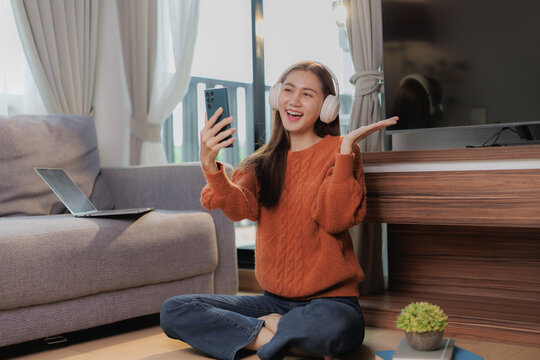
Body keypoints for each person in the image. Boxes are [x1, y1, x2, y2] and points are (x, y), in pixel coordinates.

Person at [160, 61, 398, 360]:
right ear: (276, 98)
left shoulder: (340, 152)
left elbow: (335, 218)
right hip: (271, 304)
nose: (294, 101)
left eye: (307, 94)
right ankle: (280, 334)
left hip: (330, 304)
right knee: (175, 310)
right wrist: (210, 165)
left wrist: (346, 150)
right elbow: (237, 207)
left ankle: (266, 333)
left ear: (328, 107)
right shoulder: (260, 162)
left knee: (335, 328)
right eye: (288, 90)